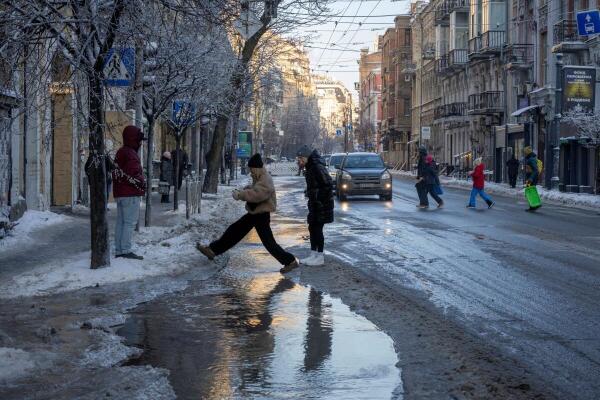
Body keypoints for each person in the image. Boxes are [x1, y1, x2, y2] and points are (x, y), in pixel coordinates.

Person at [196, 153, 299, 273]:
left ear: (256, 168)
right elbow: (257, 189)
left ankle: (290, 261)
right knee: (236, 230)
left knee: (266, 242)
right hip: (256, 213)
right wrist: (248, 188)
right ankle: (213, 250)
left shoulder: (265, 178)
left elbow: (258, 194)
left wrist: (241, 195)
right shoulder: (261, 177)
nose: (250, 172)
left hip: (260, 215)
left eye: (251, 169)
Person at [296, 145, 334, 266]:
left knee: (317, 229)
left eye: (301, 158)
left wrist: (317, 197)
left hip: (322, 204)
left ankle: (319, 256)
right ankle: (313, 254)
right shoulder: (310, 167)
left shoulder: (317, 167)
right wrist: (310, 192)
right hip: (315, 204)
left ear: (307, 157)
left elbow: (327, 184)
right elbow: (315, 185)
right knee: (312, 228)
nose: (299, 161)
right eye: (299, 159)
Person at [113, 125, 146, 260]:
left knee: (121, 222)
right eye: (139, 140)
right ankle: (125, 249)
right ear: (134, 139)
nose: (141, 143)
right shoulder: (131, 154)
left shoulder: (120, 152)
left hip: (120, 193)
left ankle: (120, 249)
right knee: (129, 223)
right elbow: (134, 174)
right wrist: (142, 181)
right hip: (130, 193)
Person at [523, 146, 541, 211]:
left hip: (531, 178)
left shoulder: (531, 159)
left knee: (530, 191)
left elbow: (535, 170)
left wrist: (531, 178)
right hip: (532, 177)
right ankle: (533, 205)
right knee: (531, 191)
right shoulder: (532, 158)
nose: (524, 154)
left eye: (525, 152)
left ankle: (534, 205)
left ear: (527, 153)